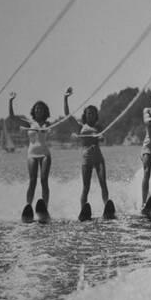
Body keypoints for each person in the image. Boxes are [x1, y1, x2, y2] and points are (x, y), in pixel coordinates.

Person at [64, 87, 114, 220]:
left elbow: (103, 137)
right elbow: (68, 116)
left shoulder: (99, 127)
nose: (90, 115)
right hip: (86, 159)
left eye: (92, 113)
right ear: (85, 115)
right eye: (88, 113)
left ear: (95, 115)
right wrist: (66, 98)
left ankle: (106, 208)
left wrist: (101, 137)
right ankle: (83, 211)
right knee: (86, 187)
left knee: (103, 182)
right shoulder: (80, 127)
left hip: (98, 158)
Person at [8, 93, 52, 209]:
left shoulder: (47, 124)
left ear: (44, 111)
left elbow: (50, 130)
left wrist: (45, 129)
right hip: (32, 154)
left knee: (43, 180)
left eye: (41, 109)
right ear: (34, 111)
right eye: (37, 109)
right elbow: (12, 117)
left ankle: (45, 207)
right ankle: (28, 206)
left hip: (45, 154)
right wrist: (11, 101)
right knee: (32, 181)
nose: (38, 110)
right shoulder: (28, 123)